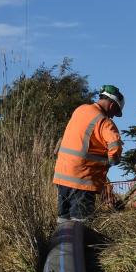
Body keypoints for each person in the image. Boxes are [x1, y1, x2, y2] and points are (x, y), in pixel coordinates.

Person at [53, 85, 125, 223]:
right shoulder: (104, 121)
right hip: (83, 179)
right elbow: (115, 145)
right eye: (115, 112)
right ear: (111, 105)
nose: (113, 116)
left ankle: (61, 244)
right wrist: (113, 161)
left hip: (62, 176)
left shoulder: (80, 110)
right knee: (80, 223)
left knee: (64, 220)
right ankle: (78, 243)